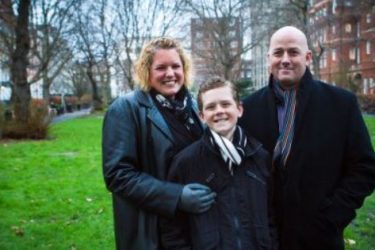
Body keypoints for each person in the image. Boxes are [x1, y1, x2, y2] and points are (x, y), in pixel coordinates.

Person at [239, 26, 375, 250]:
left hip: (320, 236)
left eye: (293, 52)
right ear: (268, 58)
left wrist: (334, 215)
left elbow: (364, 167)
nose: (285, 60)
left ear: (308, 57)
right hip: (265, 237)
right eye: (278, 53)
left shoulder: (341, 104)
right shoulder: (248, 109)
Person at [102, 37, 216, 250]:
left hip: (196, 228)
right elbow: (118, 175)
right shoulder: (125, 108)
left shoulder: (191, 106)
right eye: (161, 68)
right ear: (147, 71)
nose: (170, 73)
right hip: (156, 233)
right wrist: (177, 196)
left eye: (176, 66)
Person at [161, 77, 277, 249]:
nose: (219, 111)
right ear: (201, 116)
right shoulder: (186, 162)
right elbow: (172, 226)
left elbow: (273, 216)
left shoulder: (260, 157)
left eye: (225, 104)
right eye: (211, 107)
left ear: (239, 109)